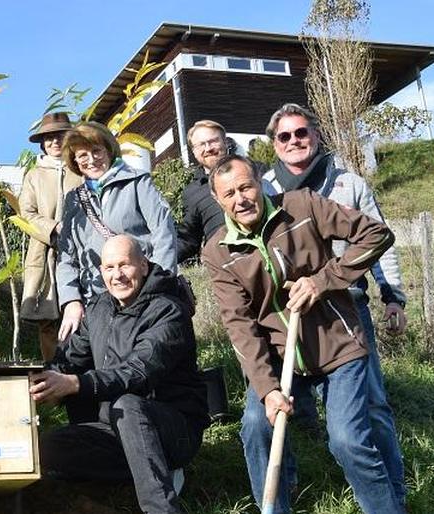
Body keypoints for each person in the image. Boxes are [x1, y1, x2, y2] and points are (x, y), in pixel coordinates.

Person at [201, 154, 402, 514]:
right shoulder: (218, 252)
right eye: (229, 194)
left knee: (346, 441)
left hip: (337, 344)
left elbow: (377, 234)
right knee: (254, 426)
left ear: (260, 183)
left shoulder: (302, 206)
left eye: (246, 187)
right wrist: (267, 390)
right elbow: (240, 325)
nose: (240, 199)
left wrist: (322, 280)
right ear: (218, 199)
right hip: (280, 355)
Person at [260, 103, 409, 508]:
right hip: (293, 314)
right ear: (274, 144)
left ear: (316, 136)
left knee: (373, 405)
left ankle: (393, 492)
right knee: (281, 409)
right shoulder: (266, 189)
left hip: (348, 306)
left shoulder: (349, 184)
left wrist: (391, 295)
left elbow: (379, 242)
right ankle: (288, 486)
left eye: (301, 133)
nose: (295, 141)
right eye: (285, 136)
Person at [34, 235, 208, 514]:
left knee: (127, 404)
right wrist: (39, 381)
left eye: (124, 265)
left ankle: (161, 506)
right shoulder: (99, 308)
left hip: (172, 428)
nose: (117, 276)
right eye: (109, 268)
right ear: (101, 272)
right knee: (42, 449)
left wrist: (76, 384)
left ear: (144, 265)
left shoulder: (168, 312)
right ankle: (140, 476)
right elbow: (69, 359)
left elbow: (138, 372)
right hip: (111, 428)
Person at [55, 121, 178, 344]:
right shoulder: (74, 199)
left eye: (96, 151)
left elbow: (164, 234)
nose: (91, 160)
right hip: (96, 298)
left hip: (140, 292)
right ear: (74, 161)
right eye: (82, 155)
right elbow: (66, 258)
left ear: (109, 150)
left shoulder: (137, 182)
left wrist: (160, 286)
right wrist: (71, 301)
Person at [19, 112, 80, 361]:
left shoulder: (80, 170)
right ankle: (52, 374)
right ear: (43, 142)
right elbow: (26, 214)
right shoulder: (34, 175)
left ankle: (82, 376)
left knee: (79, 311)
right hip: (45, 255)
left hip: (81, 253)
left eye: (60, 136)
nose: (55, 142)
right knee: (47, 319)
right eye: (49, 137)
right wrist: (53, 227)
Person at [176, 120, 229, 264]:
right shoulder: (192, 192)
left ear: (225, 142)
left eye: (213, 141)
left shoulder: (252, 172)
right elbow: (189, 239)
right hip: (226, 265)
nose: (208, 148)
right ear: (194, 151)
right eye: (201, 145)